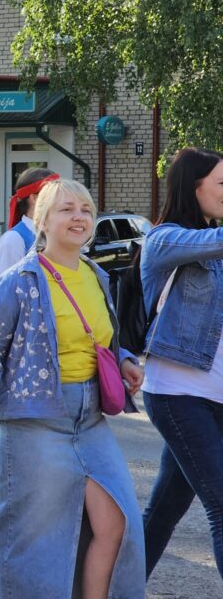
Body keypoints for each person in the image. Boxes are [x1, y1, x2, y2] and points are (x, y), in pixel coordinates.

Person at [0, 178, 145, 598]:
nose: (79, 217)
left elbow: (101, 339)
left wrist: (123, 359)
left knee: (118, 524)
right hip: (35, 423)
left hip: (91, 419)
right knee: (37, 544)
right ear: (42, 220)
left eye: (86, 209)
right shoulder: (18, 280)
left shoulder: (96, 275)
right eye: (67, 209)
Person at [140, 147, 223, 579]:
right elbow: (210, 244)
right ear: (194, 187)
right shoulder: (163, 240)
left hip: (216, 396)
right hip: (177, 393)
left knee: (165, 509)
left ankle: (117, 588)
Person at [0, 167, 58, 279]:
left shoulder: (56, 233)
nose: (61, 199)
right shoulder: (13, 240)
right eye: (55, 194)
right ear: (34, 198)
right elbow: (6, 287)